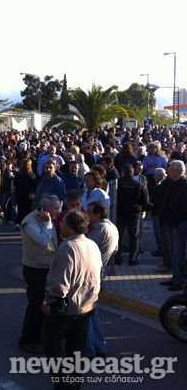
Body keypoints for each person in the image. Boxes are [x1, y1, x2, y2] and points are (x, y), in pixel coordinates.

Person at [41, 209, 101, 389]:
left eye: (64, 222)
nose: (61, 225)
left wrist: (48, 303)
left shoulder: (67, 248)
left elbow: (60, 285)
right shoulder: (91, 245)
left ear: (71, 226)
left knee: (51, 344)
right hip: (87, 306)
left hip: (67, 309)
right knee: (76, 350)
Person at [18, 196, 61, 355]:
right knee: (35, 306)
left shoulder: (47, 219)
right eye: (56, 208)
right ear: (45, 209)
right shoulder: (30, 222)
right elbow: (43, 241)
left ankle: (39, 337)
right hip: (35, 269)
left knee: (44, 305)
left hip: (46, 267)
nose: (59, 211)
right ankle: (27, 340)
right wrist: (48, 222)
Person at [85, 200, 118, 358]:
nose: (86, 214)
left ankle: (89, 350)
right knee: (93, 313)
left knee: (85, 314)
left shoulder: (101, 229)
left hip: (91, 274)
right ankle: (99, 347)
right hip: (98, 272)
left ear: (97, 215)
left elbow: (87, 248)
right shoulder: (111, 226)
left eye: (89, 213)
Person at [157, 160, 187, 291]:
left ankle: (180, 280)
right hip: (169, 222)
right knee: (172, 252)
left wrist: (177, 220)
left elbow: (183, 207)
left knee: (179, 253)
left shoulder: (185, 185)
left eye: (170, 169)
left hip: (178, 224)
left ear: (178, 171)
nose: (167, 170)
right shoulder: (171, 183)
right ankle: (175, 277)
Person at [113, 164, 148, 266]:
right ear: (132, 172)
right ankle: (132, 259)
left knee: (118, 237)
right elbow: (145, 200)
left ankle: (117, 258)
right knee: (134, 238)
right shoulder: (139, 184)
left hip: (120, 214)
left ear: (122, 172)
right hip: (134, 214)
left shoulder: (117, 184)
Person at [13, 158, 37, 229]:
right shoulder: (31, 174)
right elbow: (35, 184)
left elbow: (15, 183)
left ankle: (17, 223)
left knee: (20, 209)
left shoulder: (18, 174)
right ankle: (25, 223)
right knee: (27, 210)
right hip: (28, 194)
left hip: (19, 194)